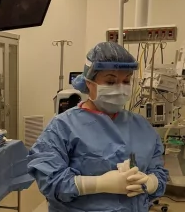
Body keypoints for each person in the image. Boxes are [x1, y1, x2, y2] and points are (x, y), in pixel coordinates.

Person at [28, 42, 168, 212]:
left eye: (126, 81)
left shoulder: (141, 127)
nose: (120, 88)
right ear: (89, 82)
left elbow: (158, 172)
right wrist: (97, 184)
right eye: (110, 82)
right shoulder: (63, 127)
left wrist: (150, 183)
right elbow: (50, 181)